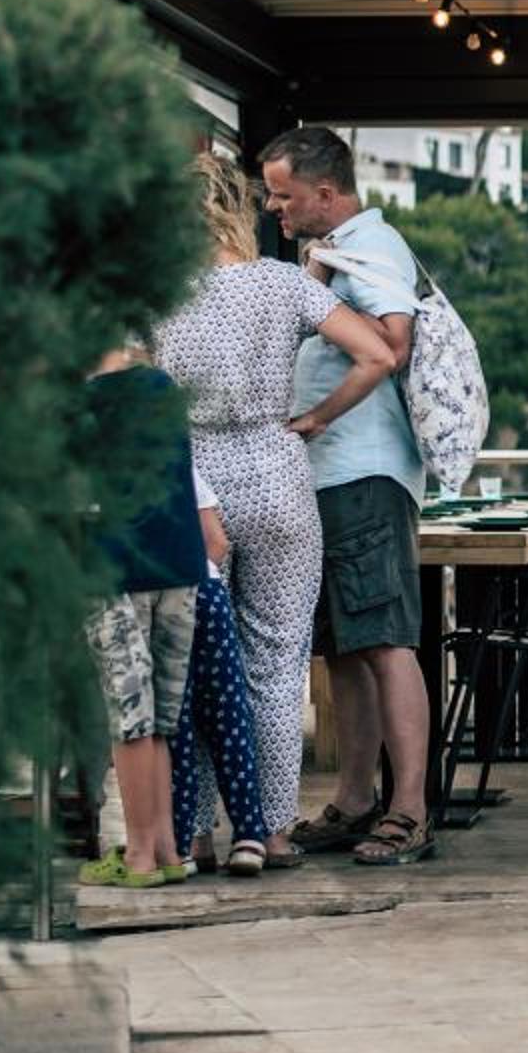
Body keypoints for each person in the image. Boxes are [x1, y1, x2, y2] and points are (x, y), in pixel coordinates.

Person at [153, 152, 397, 870]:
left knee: (198, 662)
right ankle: (270, 830)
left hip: (195, 484)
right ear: (239, 209)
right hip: (277, 476)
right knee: (277, 662)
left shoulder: (158, 295)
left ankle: (196, 833)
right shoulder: (285, 283)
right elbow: (379, 355)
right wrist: (317, 417)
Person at [260, 126, 438, 868]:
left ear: (325, 193)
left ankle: (410, 810)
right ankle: (355, 799)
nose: (274, 208)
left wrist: (317, 417)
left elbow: (391, 344)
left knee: (386, 641)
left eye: (283, 195)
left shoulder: (370, 248)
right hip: (330, 479)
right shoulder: (338, 253)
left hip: (362, 474)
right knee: (345, 647)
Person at [75, 348, 205, 888]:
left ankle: (138, 857)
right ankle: (168, 849)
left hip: (117, 570)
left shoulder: (83, 405)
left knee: (129, 720)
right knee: (163, 722)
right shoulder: (163, 390)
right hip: (180, 566)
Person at [167, 466, 270, 878]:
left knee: (174, 728)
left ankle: (179, 845)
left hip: (158, 599)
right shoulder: (180, 465)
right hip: (207, 592)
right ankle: (249, 837)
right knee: (229, 719)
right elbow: (217, 542)